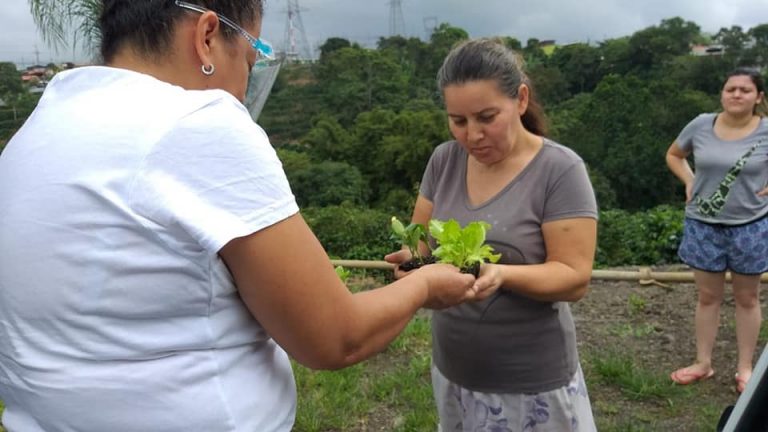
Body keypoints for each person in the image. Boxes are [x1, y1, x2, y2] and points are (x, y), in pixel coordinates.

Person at [0, 1, 479, 431]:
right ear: (207, 36)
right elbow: (336, 338)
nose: (245, 88)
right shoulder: (198, 122)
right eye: (250, 60)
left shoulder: (37, 131)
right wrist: (425, 285)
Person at [385, 38, 599, 431]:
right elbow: (420, 242)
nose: (472, 135)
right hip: (455, 370)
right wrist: (412, 264)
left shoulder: (560, 170)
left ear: (521, 100)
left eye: (487, 117)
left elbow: (574, 277)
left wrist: (501, 274)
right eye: (458, 121)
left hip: (531, 381)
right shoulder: (444, 160)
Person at [666, 67, 768, 394]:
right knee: (708, 297)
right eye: (730, 89)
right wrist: (689, 180)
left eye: (745, 90)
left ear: (758, 97)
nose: (736, 94)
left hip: (750, 225)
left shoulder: (766, 130)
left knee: (747, 298)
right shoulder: (701, 124)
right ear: (722, 94)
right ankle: (703, 363)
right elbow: (674, 154)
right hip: (703, 225)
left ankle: (745, 368)